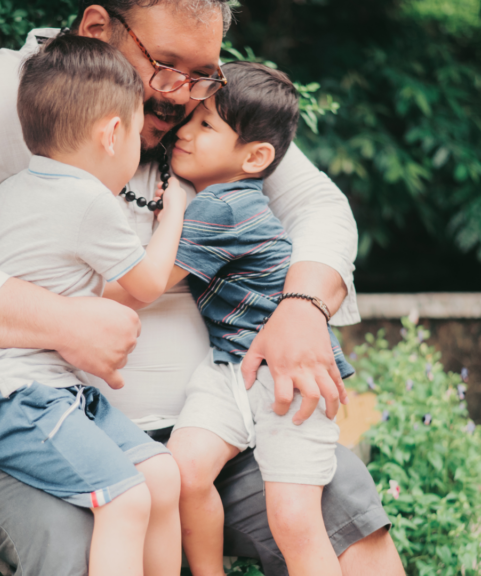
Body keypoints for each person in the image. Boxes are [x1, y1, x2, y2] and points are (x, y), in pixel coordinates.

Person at [0, 1, 404, 574]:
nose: (181, 96)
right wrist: (63, 322)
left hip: (210, 431)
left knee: (346, 517)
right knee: (87, 543)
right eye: (165, 64)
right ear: (98, 28)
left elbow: (318, 206)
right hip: (27, 417)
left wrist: (302, 307)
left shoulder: (200, 99)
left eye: (201, 72)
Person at [106, 61, 353, 576]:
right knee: (187, 471)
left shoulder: (222, 209)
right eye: (188, 120)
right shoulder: (216, 199)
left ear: (256, 157)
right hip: (231, 368)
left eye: (205, 126)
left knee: (293, 518)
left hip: (285, 373)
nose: (183, 132)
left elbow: (137, 287)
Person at [0, 34, 186, 576]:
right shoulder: (89, 202)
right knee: (127, 499)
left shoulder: (10, 189)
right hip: (17, 398)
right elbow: (149, 283)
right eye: (137, 135)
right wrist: (174, 210)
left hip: (51, 392)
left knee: (161, 473)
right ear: (112, 133)